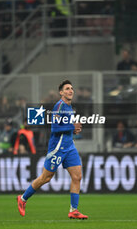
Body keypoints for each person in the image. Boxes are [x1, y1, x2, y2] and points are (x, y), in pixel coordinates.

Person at [17, 80, 88, 219]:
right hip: (58, 148)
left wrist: (73, 130)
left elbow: (65, 127)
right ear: (61, 92)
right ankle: (23, 199)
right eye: (67, 89)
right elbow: (54, 128)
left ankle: (74, 210)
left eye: (72, 88)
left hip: (69, 146)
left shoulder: (69, 107)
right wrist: (72, 127)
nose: (70, 90)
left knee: (77, 176)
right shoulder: (59, 106)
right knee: (46, 177)